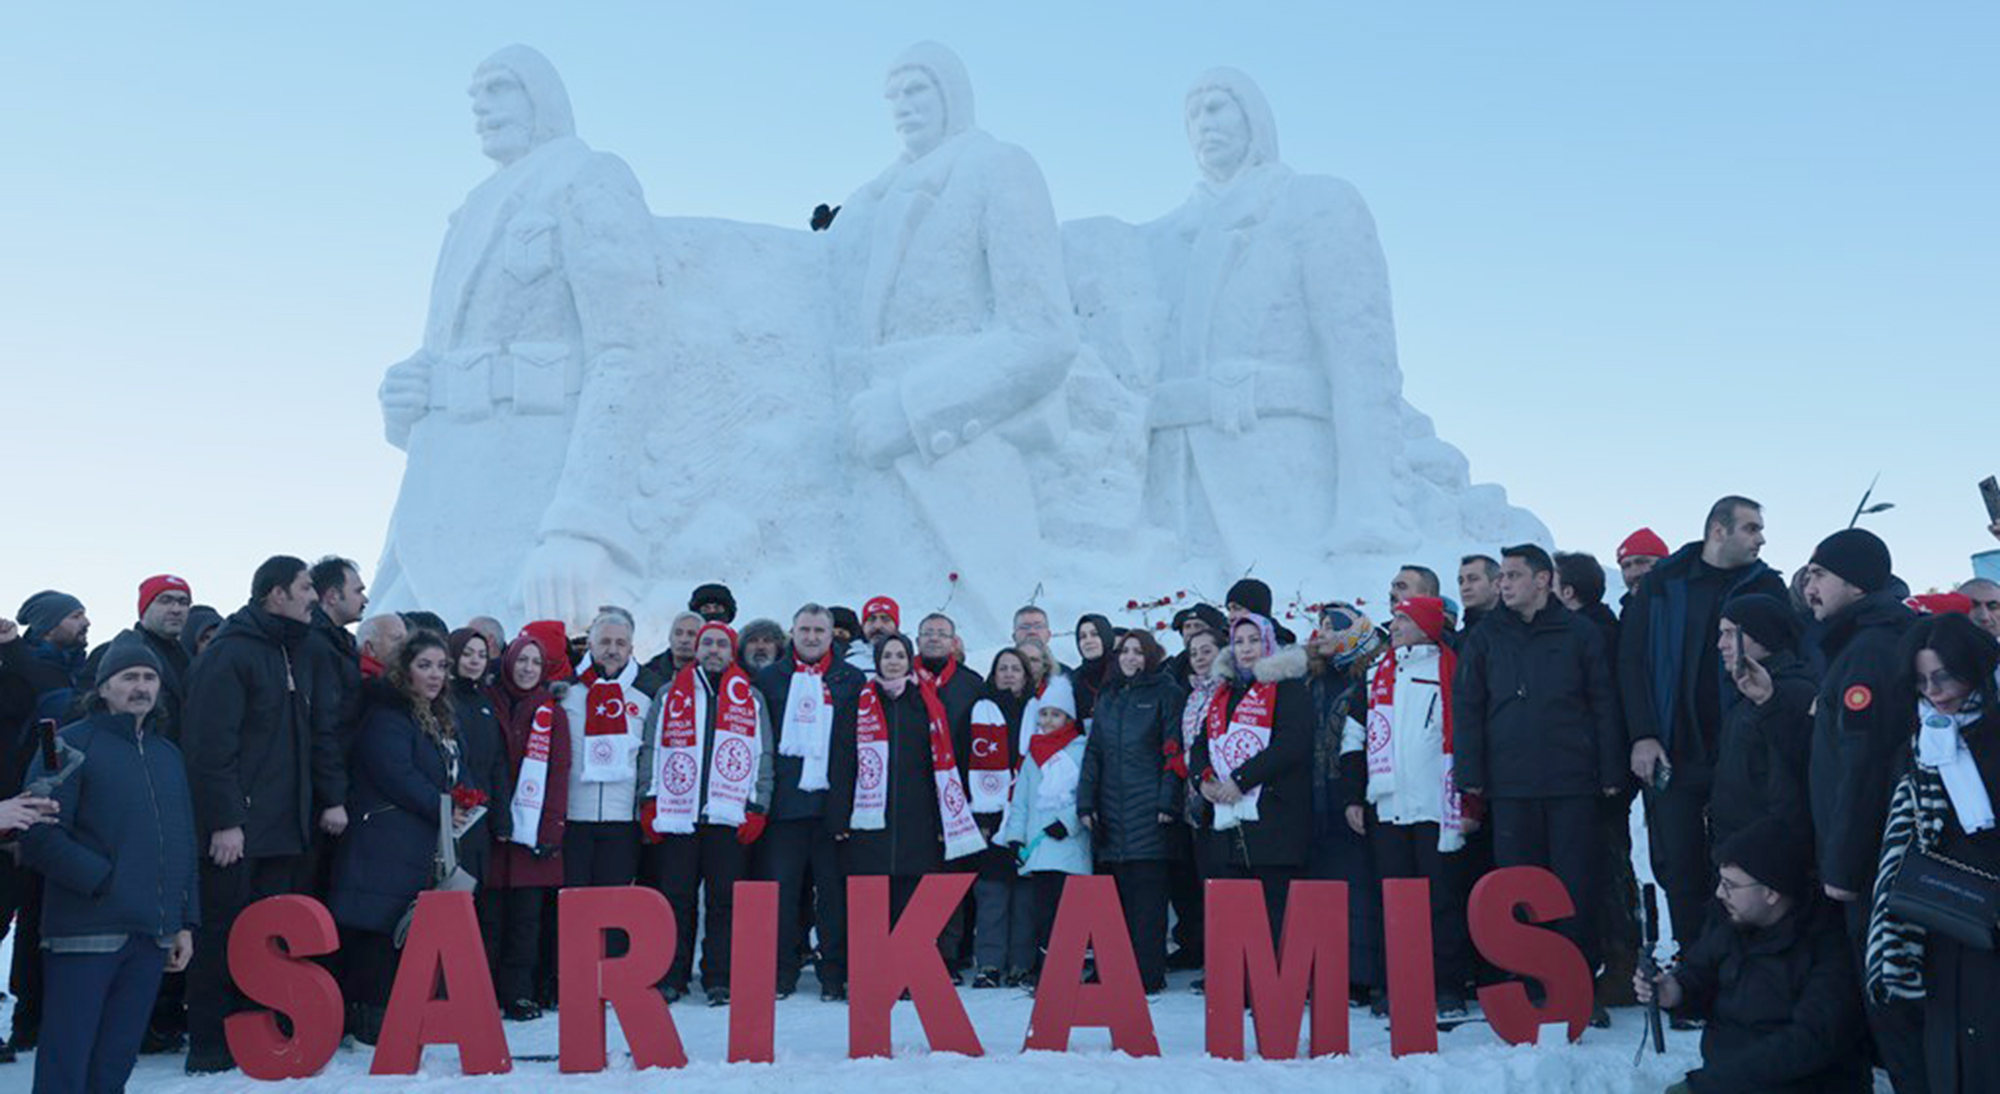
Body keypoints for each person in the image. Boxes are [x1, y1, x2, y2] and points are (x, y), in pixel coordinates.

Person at [374, 44, 663, 626]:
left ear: (543, 97)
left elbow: (628, 352)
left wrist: (582, 523)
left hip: (531, 491)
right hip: (440, 491)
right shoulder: (469, 212)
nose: (481, 107)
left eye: (499, 88)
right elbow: (446, 351)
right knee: (381, 644)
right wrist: (408, 393)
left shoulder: (587, 176)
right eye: (475, 96)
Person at [20, 638, 198, 1094]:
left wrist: (183, 922)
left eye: (149, 677)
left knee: (116, 1059)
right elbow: (38, 834)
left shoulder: (168, 755)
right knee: (67, 1057)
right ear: (103, 689)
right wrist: (103, 881)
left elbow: (183, 842)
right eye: (129, 678)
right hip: (86, 931)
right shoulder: (62, 744)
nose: (141, 687)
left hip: (150, 934)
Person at [1453, 543, 1622, 1016]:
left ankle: (1578, 988)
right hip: (1509, 786)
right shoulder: (1487, 637)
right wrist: (1470, 773)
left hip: (1572, 782)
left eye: (1512, 575)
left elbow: (1603, 703)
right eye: (1501, 576)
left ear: (1543, 580)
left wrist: (1611, 770)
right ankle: (1531, 988)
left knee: (1576, 888)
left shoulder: (1580, 633)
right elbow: (1467, 708)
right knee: (1520, 888)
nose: (1504, 584)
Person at [179, 555, 329, 1074]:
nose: (314, 596)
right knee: (222, 932)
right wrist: (225, 820)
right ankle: (209, 1042)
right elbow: (207, 745)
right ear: (275, 593)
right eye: (306, 586)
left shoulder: (294, 649)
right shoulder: (230, 653)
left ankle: (256, 1030)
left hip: (283, 828)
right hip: (236, 831)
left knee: (265, 939)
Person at [1621, 496, 1785, 951]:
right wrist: (1643, 734)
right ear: (1718, 530)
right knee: (1681, 865)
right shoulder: (1663, 583)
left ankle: (1741, 973)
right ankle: (1695, 969)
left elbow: (1788, 660)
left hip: (1742, 752)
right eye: (1751, 528)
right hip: (1673, 750)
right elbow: (1631, 661)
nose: (1761, 538)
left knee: (1742, 866)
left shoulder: (1767, 585)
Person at [1800, 527, 1923, 1091]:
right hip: (1873, 858)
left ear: (1853, 582)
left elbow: (1863, 767)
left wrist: (1844, 869)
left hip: (1873, 865)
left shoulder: (1870, 650)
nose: (1808, 584)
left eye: (1819, 574)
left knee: (1891, 997)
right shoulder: (1858, 640)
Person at [1635, 817, 1869, 1094]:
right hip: (1729, 1078)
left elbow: (1810, 1042)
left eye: (1731, 885)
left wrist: (1710, 1086)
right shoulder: (1733, 922)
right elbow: (1700, 973)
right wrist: (1675, 991)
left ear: (1771, 893)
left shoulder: (1829, 947)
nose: (1720, 893)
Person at [1866, 612, 1998, 1093]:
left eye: (1944, 676)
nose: (1935, 692)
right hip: (1941, 916)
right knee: (1948, 1044)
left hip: (1991, 914)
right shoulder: (1920, 742)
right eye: (1922, 681)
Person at [327, 631, 475, 1043]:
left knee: (403, 931)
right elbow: (398, 775)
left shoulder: (444, 715)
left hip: (421, 840)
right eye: (424, 665)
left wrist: (468, 800)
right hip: (385, 842)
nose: (435, 674)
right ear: (404, 670)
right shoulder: (387, 715)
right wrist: (445, 806)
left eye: (442, 666)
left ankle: (397, 1016)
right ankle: (368, 1022)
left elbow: (459, 770)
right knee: (376, 930)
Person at [1341, 597, 1474, 1017]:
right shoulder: (1375, 673)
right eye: (1394, 617)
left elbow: (1467, 732)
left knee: (1441, 899)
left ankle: (1447, 985)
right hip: (1387, 804)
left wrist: (1471, 800)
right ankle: (1393, 983)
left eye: (1403, 618)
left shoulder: (1451, 668)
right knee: (1393, 899)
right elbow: (1353, 736)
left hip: (1437, 804)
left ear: (1425, 625)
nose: (1394, 625)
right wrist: (1352, 795)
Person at [639, 621, 774, 1005]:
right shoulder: (669, 695)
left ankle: (720, 976)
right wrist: (648, 802)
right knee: (676, 897)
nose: (714, 650)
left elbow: (763, 754)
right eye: (707, 644)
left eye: (721, 645)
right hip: (678, 814)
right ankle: (672, 975)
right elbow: (651, 751)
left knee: (724, 900)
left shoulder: (750, 697)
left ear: (733, 653)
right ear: (696, 650)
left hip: (727, 815)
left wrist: (758, 806)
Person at [828, 633, 984, 962]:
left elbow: (942, 764)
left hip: (918, 821)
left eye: (900, 655)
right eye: (887, 656)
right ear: (878, 662)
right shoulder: (860, 704)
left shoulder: (926, 704)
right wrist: (839, 814)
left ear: (909, 660)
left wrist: (944, 818)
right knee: (872, 904)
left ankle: (910, 972)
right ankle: (871, 972)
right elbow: (843, 762)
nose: (894, 662)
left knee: (911, 901)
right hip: (869, 821)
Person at [753, 604, 867, 1001]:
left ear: (832, 634)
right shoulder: (770, 680)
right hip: (785, 807)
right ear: (793, 632)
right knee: (782, 894)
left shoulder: (850, 679)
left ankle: (833, 971)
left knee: (832, 896)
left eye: (820, 630)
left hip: (831, 807)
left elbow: (857, 747)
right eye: (805, 629)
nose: (813, 637)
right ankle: (782, 969)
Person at [1077, 629, 1184, 994]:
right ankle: (1111, 970)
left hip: (1150, 811)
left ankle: (1147, 974)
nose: (1131, 658)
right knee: (1113, 900)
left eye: (1139, 652)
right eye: (1125, 651)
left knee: (1147, 900)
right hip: (1110, 810)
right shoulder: (1108, 695)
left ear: (1151, 657)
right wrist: (1086, 801)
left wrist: (1168, 800)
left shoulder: (1167, 692)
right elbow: (1094, 753)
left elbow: (1174, 749)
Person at [1192, 614, 1313, 934]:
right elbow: (1201, 744)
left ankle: (1276, 980)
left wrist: (1241, 780)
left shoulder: (1288, 688)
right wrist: (1204, 780)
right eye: (1239, 641)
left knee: (1275, 914)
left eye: (1254, 640)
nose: (1246, 648)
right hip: (1229, 823)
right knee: (1236, 916)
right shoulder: (1224, 693)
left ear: (1269, 643)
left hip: (1274, 820)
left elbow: (1292, 743)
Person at [479, 633, 570, 1021]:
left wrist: (551, 828)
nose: (528, 668)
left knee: (526, 921)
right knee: (490, 916)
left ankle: (519, 993)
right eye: (522, 660)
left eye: (536, 662)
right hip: (493, 828)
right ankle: (483, 991)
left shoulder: (552, 712)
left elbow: (559, 772)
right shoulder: (487, 703)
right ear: (508, 662)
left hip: (533, 830)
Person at [1304, 601, 1387, 1008]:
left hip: (1351, 799)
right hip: (1314, 802)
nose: (1321, 634)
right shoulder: (1312, 680)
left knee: (1358, 890)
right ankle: (1326, 970)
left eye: (1330, 627)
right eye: (1318, 626)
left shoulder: (1370, 677)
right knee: (1321, 890)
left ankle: (1361, 975)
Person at [997, 676, 1090, 984]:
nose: (1049, 720)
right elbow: (1021, 800)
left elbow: (1085, 793)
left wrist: (1068, 822)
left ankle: (1068, 967)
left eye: (1056, 714)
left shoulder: (1081, 750)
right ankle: (1049, 967)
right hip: (1038, 848)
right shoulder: (1032, 754)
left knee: (1068, 911)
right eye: (1045, 713)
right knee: (1043, 912)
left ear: (1068, 717)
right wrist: (1015, 836)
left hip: (1068, 844)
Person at [1709, 595, 1816, 851]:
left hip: (1765, 851)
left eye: (1730, 634)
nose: (1720, 644)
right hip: (1740, 843)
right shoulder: (1746, 691)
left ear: (1762, 635)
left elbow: (1791, 777)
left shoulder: (1793, 693)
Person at [563, 607, 657, 890]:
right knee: (573, 904)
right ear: (590, 645)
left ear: (631, 648)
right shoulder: (566, 691)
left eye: (620, 643)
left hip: (622, 821)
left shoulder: (648, 692)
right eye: (604, 642)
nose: (612, 650)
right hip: (574, 818)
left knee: (614, 905)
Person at [966, 647, 1033, 987]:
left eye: (1015, 669)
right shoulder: (979, 712)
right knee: (991, 893)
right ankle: (989, 964)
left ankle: (1021, 962)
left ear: (1026, 675)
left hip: (1027, 816)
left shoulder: (1039, 712)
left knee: (1024, 893)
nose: (1008, 674)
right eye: (1002, 668)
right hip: (989, 815)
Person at [82, 575, 194, 744]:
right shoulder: (110, 654)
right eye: (165, 600)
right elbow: (85, 712)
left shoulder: (190, 659)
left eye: (183, 602)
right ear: (145, 608)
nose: (176, 609)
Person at [1173, 624, 1226, 973]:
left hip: (1222, 795)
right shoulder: (1191, 696)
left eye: (1207, 650)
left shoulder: (1228, 689)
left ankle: (1226, 961)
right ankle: (1210, 958)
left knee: (1222, 882)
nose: (1200, 658)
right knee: (1202, 881)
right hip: (1192, 798)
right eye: (1194, 653)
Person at [447, 628, 511, 884]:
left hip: (480, 812)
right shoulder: (444, 699)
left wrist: (502, 819)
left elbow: (497, 761)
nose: (475, 661)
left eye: (482, 655)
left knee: (475, 885)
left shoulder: (484, 702)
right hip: (453, 811)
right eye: (467, 654)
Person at [1070, 614, 1114, 725]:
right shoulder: (1074, 680)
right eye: (1082, 637)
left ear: (1106, 636)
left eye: (1095, 634)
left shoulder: (1123, 673)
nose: (1088, 641)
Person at [641, 611, 703, 683]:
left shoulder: (710, 673)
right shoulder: (648, 673)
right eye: (678, 633)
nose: (683, 640)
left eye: (691, 634)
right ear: (670, 638)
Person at [1616, 527, 1670, 606]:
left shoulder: (1686, 604)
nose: (1634, 573)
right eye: (1626, 566)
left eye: (1641, 562)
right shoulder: (1627, 612)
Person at [1456, 556, 1500, 633]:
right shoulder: (1458, 640)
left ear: (1497, 585)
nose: (1465, 587)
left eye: (1473, 579)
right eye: (1461, 582)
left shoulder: (1517, 632)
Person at [357, 614, 407, 679]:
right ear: (370, 648)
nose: (407, 645)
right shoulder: (364, 681)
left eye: (407, 638)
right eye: (397, 638)